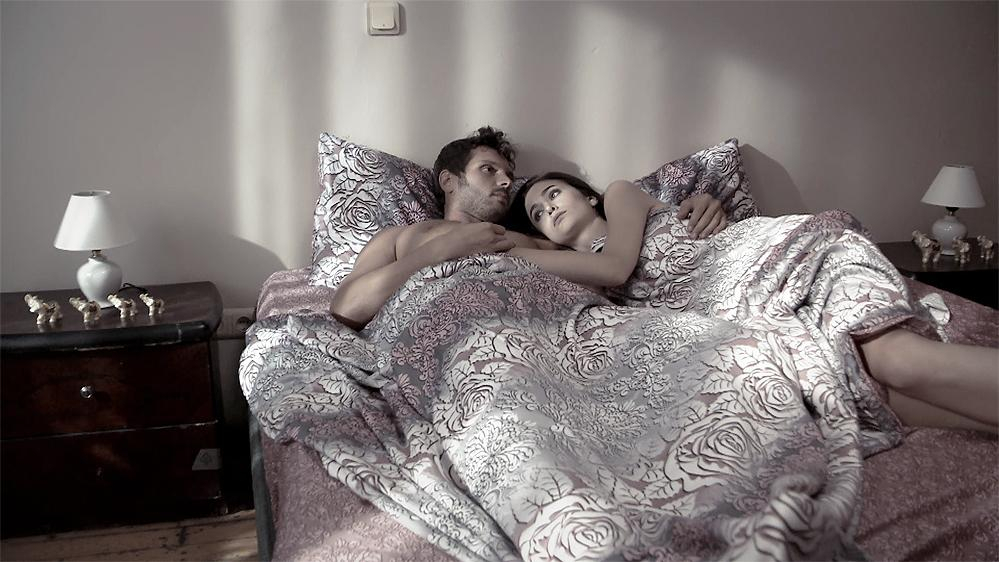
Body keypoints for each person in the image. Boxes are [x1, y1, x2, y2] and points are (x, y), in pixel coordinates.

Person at [505, 171, 999, 434]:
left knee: (895, 359)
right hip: (733, 311)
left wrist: (516, 254)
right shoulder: (574, 276)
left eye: (554, 193)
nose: (549, 207)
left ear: (587, 196)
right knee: (863, 389)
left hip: (766, 261)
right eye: (538, 213)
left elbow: (615, 266)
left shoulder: (619, 196)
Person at [330, 127, 728, 331]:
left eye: (508, 174)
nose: (505, 181)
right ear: (449, 181)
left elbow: (616, 258)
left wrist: (694, 205)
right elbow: (346, 308)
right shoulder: (402, 238)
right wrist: (440, 252)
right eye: (489, 170)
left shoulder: (541, 239)